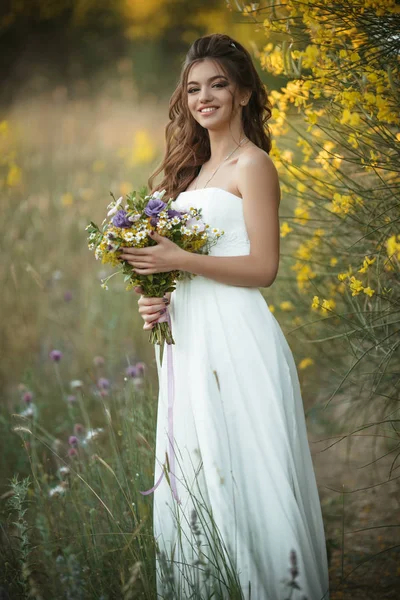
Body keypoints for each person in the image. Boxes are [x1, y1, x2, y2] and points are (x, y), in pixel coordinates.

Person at [121, 33, 330, 600]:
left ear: (242, 93)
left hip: (238, 336)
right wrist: (158, 294)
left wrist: (179, 258)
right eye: (193, 88)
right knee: (198, 464)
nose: (203, 97)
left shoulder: (252, 165)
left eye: (217, 84)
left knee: (250, 466)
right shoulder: (187, 177)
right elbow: (183, 267)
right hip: (187, 340)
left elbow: (263, 267)